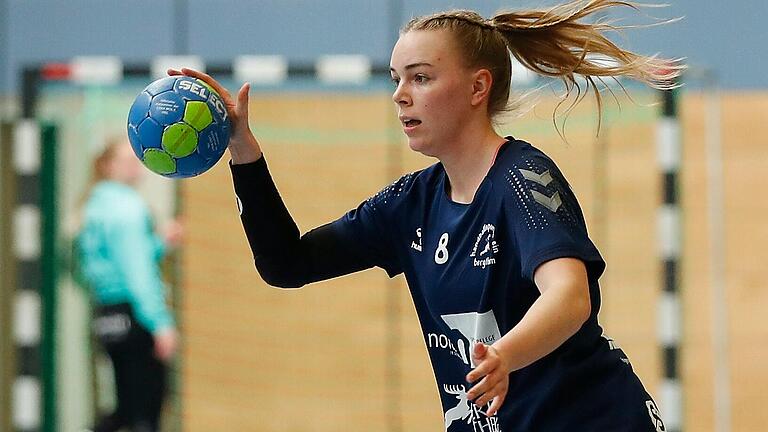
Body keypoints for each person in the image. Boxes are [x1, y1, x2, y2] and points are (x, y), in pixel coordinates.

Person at [171, 1, 681, 430]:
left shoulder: (523, 179)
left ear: (478, 88)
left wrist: (504, 354)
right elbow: (286, 263)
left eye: (421, 77)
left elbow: (570, 297)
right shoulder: (410, 204)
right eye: (397, 79)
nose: (400, 94)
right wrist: (243, 150)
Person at [76, 139, 181, 432]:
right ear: (108, 166)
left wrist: (158, 242)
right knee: (146, 411)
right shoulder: (128, 208)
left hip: (107, 314)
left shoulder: (95, 205)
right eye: (127, 160)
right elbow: (137, 271)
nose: (136, 164)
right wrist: (160, 323)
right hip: (134, 314)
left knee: (124, 408)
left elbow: (108, 263)